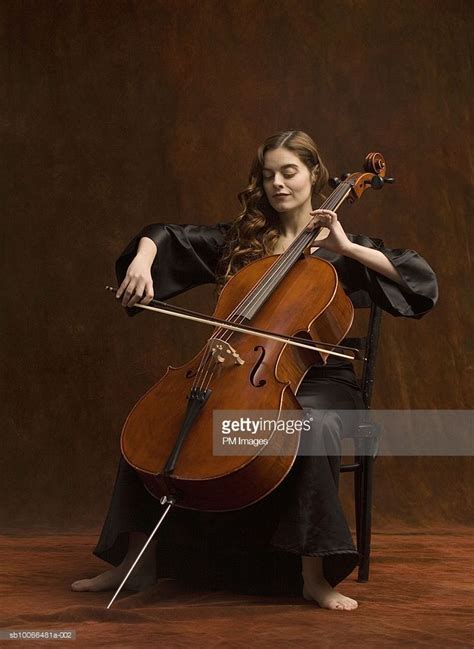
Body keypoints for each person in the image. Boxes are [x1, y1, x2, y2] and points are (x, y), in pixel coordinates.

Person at [71, 130, 438, 611]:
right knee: (160, 420)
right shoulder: (241, 240)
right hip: (234, 367)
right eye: (268, 176)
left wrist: (347, 248)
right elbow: (166, 236)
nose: (278, 184)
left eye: (289, 172)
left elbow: (418, 280)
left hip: (319, 376)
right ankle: (134, 563)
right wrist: (143, 259)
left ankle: (314, 575)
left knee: (310, 424)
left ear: (314, 175)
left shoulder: (340, 246)